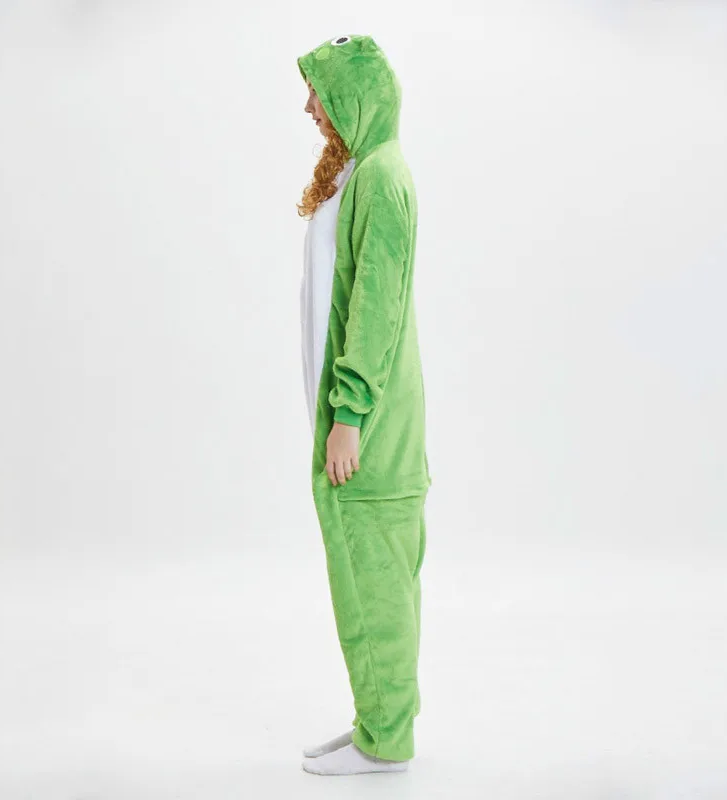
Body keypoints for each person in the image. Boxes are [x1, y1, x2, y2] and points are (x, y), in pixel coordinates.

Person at [296, 34, 432, 776]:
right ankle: (375, 723)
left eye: (319, 94)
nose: (309, 108)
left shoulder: (381, 177)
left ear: (355, 95)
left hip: (371, 430)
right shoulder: (362, 170)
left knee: (374, 586)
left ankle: (384, 743)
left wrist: (348, 416)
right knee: (367, 581)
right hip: (361, 422)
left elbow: (375, 310)